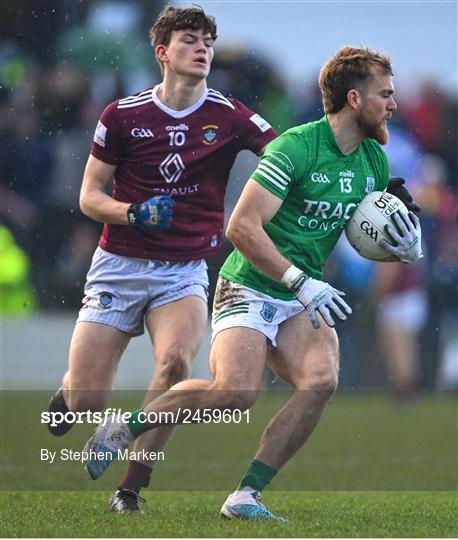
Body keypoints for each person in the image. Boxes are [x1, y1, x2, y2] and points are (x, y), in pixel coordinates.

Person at [82, 46, 423, 521]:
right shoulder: (296, 147)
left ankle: (246, 495)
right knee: (237, 393)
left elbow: (357, 217)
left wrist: (393, 228)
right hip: (251, 284)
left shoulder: (374, 161)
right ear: (353, 98)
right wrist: (300, 281)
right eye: (385, 94)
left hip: (300, 293)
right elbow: (240, 227)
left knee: (320, 382)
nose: (393, 103)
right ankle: (125, 428)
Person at [47, 5, 277, 514]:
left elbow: (286, 154)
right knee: (87, 399)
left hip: (184, 271)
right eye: (190, 40)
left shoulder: (230, 114)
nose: (202, 50)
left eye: (208, 43)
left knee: (174, 366)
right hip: (119, 264)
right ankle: (67, 397)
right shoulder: (123, 115)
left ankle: (129, 488)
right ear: (162, 52)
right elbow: (89, 196)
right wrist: (133, 212)